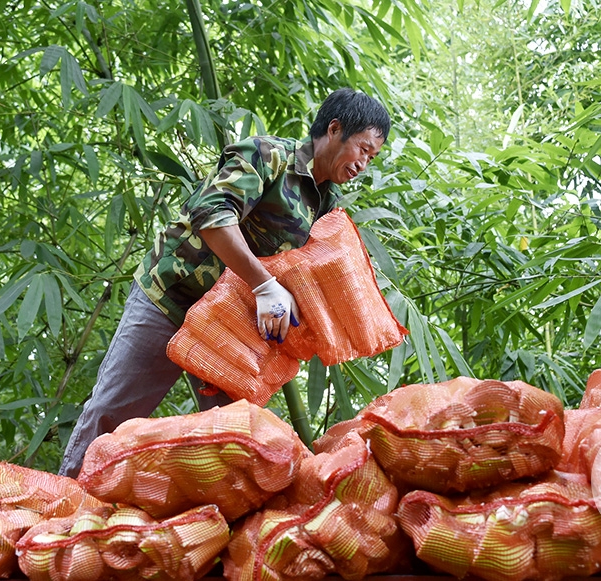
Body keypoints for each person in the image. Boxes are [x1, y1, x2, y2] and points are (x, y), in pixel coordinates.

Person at [58, 88, 391, 477]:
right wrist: (264, 286)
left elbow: (305, 275)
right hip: (171, 300)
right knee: (111, 414)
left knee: (232, 443)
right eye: (363, 149)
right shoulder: (268, 156)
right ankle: (62, 509)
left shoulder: (325, 205)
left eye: (373, 157)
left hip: (226, 329)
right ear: (334, 129)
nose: (364, 164)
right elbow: (211, 217)